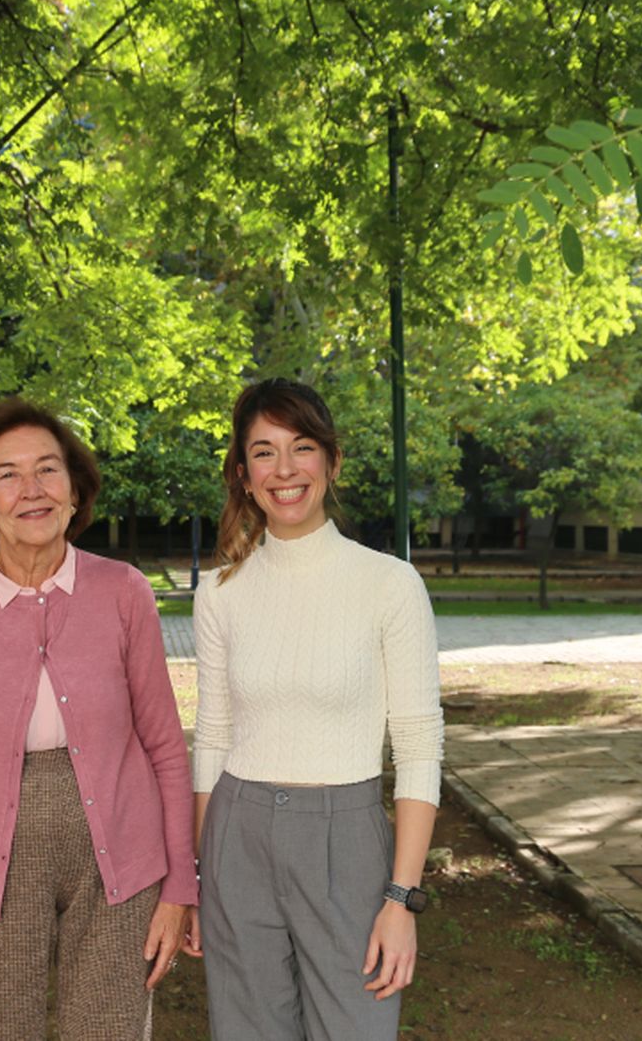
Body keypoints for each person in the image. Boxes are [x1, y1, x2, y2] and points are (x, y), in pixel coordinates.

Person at [0, 398, 199, 1038]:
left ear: (74, 490)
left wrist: (180, 887)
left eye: (47, 470)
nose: (31, 489)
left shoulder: (124, 592)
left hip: (122, 864)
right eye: (7, 474)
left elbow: (167, 750)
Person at [193, 378, 444, 1040]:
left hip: (348, 841)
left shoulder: (390, 585)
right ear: (242, 474)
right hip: (236, 837)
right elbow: (212, 737)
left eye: (301, 447)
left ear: (331, 462)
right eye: (264, 452)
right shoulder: (219, 592)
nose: (285, 469)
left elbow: (419, 749)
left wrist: (401, 899)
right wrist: (200, 875)